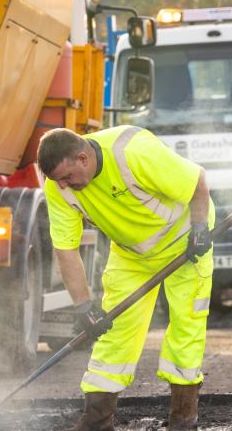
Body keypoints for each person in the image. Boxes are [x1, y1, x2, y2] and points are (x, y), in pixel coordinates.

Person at [38, 126, 215, 431]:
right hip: (132, 253)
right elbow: (66, 249)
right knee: (114, 331)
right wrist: (83, 306)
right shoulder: (59, 187)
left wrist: (199, 229)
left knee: (187, 327)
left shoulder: (133, 152)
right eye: (58, 181)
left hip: (184, 244)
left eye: (67, 177)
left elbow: (196, 180)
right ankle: (97, 421)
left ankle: (183, 420)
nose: (64, 185)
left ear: (82, 158)